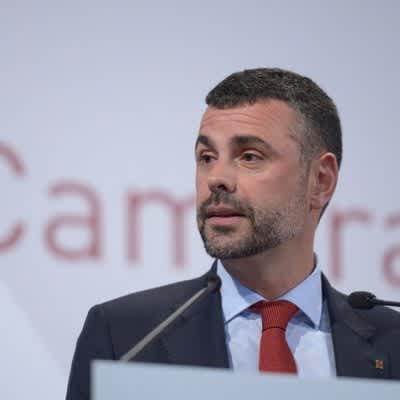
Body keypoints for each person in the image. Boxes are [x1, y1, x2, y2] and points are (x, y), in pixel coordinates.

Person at [66, 68, 400, 399]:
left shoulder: (393, 342)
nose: (216, 178)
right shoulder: (126, 338)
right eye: (206, 157)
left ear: (320, 180)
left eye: (249, 156)